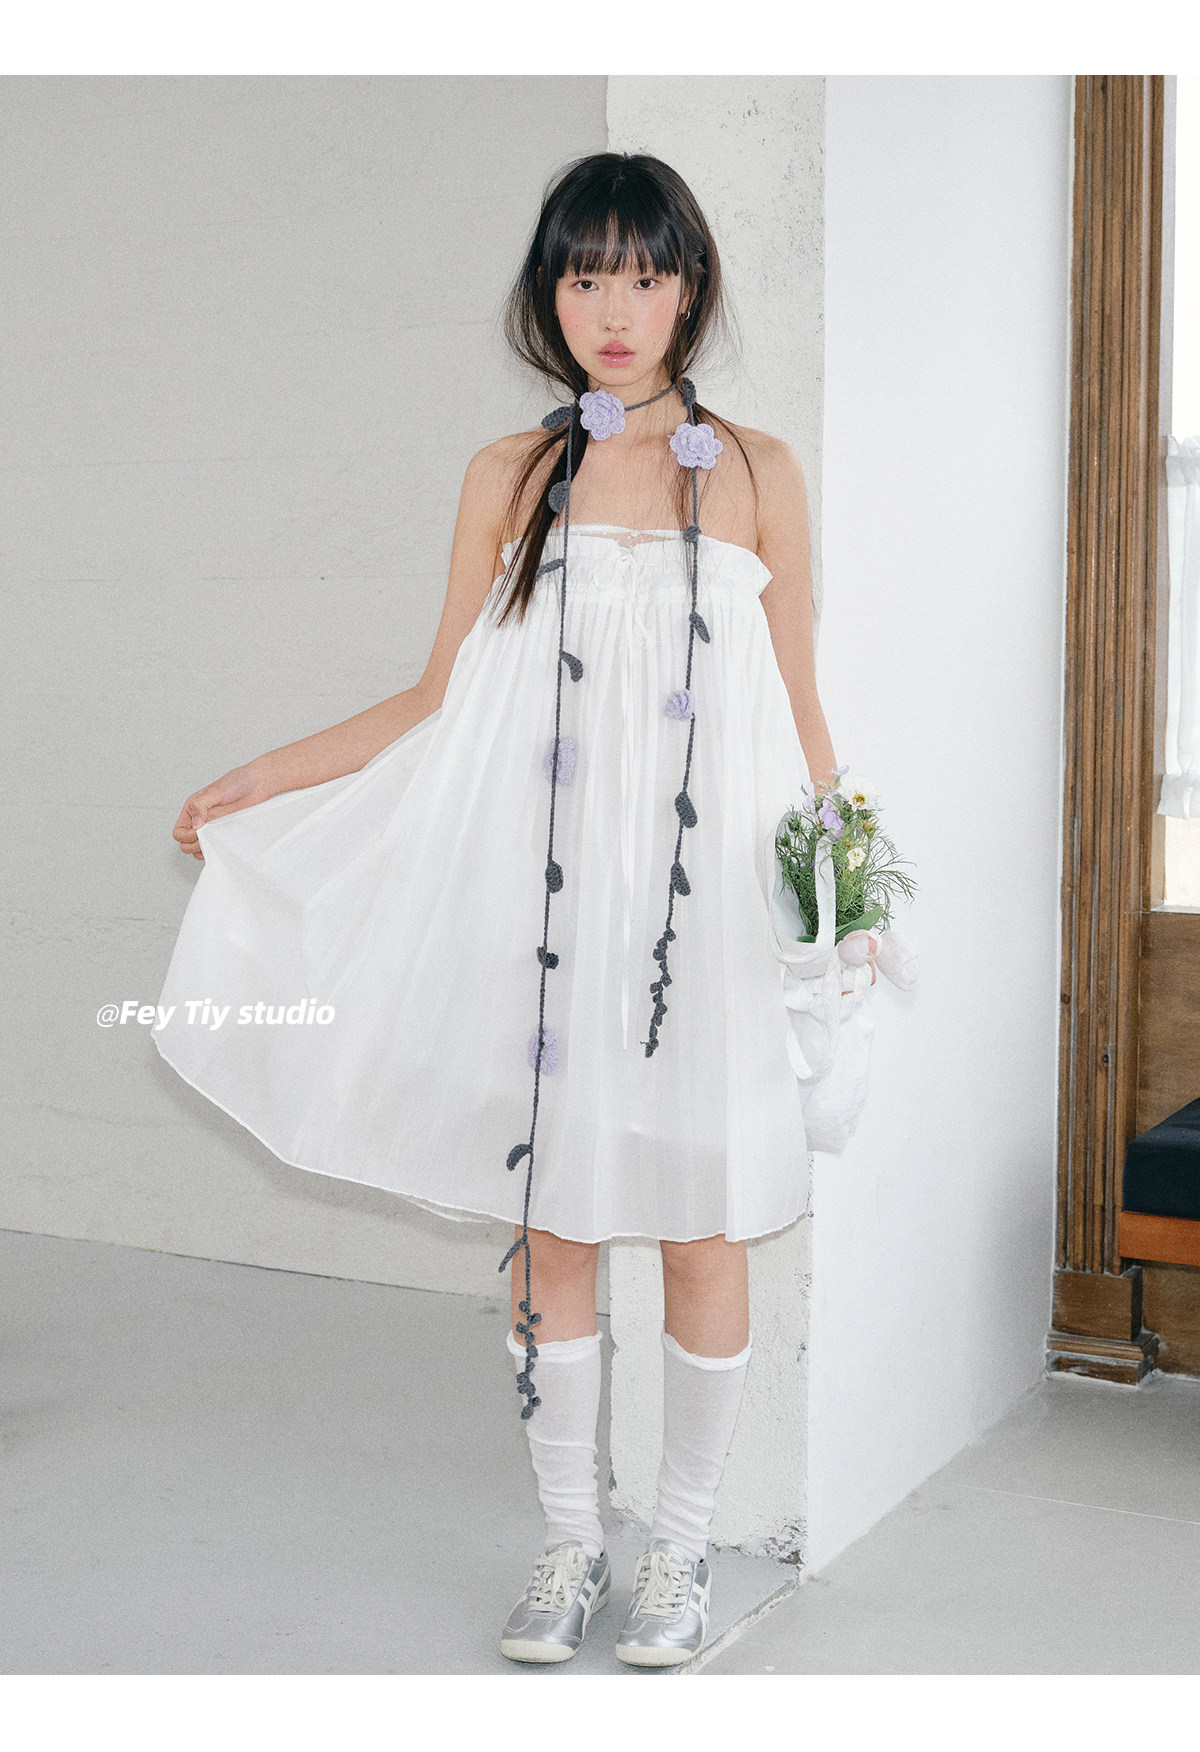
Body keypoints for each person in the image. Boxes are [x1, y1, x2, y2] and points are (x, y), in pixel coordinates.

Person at [156, 151, 838, 1669]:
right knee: (553, 1226)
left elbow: (798, 707)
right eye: (586, 276)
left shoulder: (759, 473)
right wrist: (261, 781)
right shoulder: (508, 478)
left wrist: (838, 886)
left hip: (704, 920)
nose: (616, 309)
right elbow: (435, 698)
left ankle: (680, 1554)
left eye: (645, 275)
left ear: (691, 288)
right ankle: (572, 1542)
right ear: (549, 293)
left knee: (706, 1227)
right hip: (546, 915)